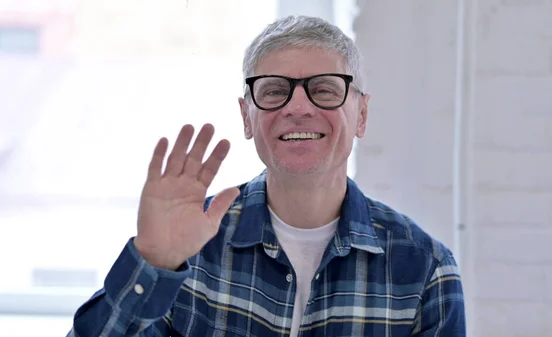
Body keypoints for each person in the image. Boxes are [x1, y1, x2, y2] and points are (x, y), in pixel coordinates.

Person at [67, 15, 465, 337]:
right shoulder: (189, 244)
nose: (298, 107)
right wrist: (153, 262)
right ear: (246, 116)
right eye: (274, 91)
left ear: (361, 114)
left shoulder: (426, 270)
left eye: (324, 90)